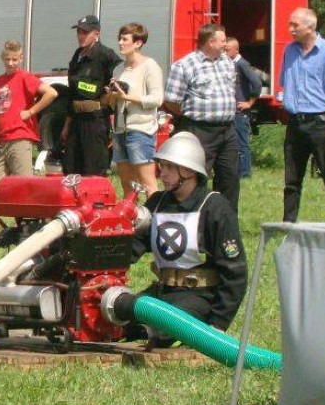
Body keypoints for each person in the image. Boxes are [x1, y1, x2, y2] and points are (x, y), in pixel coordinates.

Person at [128, 132, 247, 347]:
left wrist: (218, 324)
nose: (162, 174)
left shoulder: (215, 207)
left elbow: (235, 272)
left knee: (150, 330)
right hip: (161, 292)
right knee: (117, 322)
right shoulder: (157, 202)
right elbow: (132, 246)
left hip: (198, 297)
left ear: (189, 170)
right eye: (161, 166)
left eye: (169, 168)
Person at [163, 23, 240, 211]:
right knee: (195, 176)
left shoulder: (227, 62)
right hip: (199, 130)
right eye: (223, 41)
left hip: (227, 130)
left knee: (230, 178)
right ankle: (194, 217)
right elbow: (172, 100)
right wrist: (191, 115)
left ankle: (225, 221)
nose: (226, 45)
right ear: (211, 41)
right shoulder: (185, 65)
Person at [278, 8, 325, 222]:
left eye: (294, 25)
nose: (290, 29)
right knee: (292, 180)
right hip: (295, 123)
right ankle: (288, 223)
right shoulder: (289, 51)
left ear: (310, 26)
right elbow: (284, 84)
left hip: (320, 124)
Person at [0, 40, 57, 231]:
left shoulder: (25, 77)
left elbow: (51, 93)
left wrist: (31, 112)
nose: (11, 63)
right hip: (1, 140)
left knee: (23, 184)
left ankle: (29, 226)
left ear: (21, 58)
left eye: (15, 59)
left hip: (20, 137)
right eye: (7, 59)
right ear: (2, 58)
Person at [104, 23, 163, 197]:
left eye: (125, 39)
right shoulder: (118, 69)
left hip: (141, 130)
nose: (120, 43)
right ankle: (132, 221)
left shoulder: (149, 66)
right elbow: (115, 102)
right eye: (119, 39)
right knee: (127, 185)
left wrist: (127, 97)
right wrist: (112, 96)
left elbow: (157, 99)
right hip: (120, 130)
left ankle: (155, 220)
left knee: (147, 184)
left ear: (138, 43)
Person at [61, 15, 120, 176]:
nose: (81, 36)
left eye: (85, 32)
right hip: (76, 119)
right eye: (79, 32)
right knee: (72, 167)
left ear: (96, 34)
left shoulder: (105, 55)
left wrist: (110, 99)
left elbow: (120, 80)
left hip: (95, 119)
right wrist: (67, 124)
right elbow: (71, 93)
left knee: (93, 167)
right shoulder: (77, 55)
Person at [224, 37, 262, 179]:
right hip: (231, 111)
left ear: (236, 50)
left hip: (240, 112)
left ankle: (245, 173)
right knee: (232, 144)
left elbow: (256, 83)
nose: (224, 52)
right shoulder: (229, 64)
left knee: (242, 143)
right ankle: (235, 171)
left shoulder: (242, 64)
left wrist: (249, 102)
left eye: (227, 50)